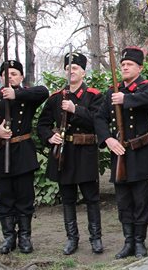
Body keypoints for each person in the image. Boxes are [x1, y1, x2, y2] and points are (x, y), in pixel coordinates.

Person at [0, 60, 49, 254]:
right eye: (6, 73)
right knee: (4, 197)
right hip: (0, 153)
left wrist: (16, 93)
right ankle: (8, 236)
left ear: (21, 77)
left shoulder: (27, 96)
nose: (10, 76)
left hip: (22, 152)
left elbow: (43, 92)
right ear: (0, 77)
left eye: (14, 73)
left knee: (24, 197)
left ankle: (24, 236)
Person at [94, 47, 148, 259]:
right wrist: (108, 139)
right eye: (122, 65)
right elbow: (99, 118)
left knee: (141, 200)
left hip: (140, 152)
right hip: (120, 152)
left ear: (140, 68)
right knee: (123, 201)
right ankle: (128, 241)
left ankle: (140, 242)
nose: (124, 67)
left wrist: (125, 99)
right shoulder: (111, 91)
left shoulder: (146, 87)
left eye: (129, 64)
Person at [36, 52, 104, 255]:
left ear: (83, 72)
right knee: (67, 198)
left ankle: (96, 238)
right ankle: (72, 238)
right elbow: (42, 124)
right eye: (68, 68)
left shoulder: (93, 95)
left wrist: (76, 110)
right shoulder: (56, 98)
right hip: (64, 154)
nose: (71, 72)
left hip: (85, 153)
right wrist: (49, 136)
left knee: (91, 198)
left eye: (74, 68)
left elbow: (99, 122)